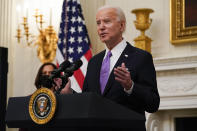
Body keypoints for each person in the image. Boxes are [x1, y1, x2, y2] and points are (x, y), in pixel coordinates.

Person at [82, 6, 160, 131]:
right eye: (98, 23)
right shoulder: (94, 62)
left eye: (107, 21)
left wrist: (131, 86)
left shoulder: (141, 57)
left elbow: (153, 104)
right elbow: (88, 100)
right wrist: (69, 93)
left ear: (122, 26)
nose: (101, 27)